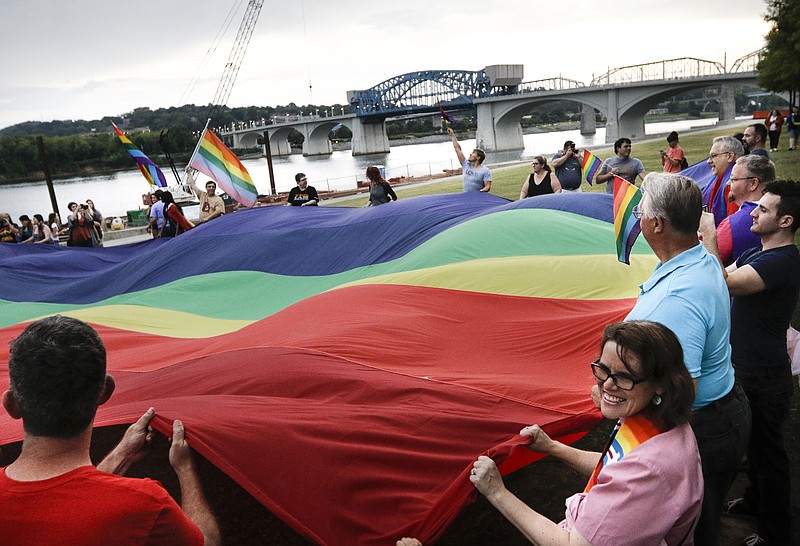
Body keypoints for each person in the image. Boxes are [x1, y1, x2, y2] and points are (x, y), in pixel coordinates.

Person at [468, 321, 701, 546]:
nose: (608, 385)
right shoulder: (658, 419)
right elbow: (614, 466)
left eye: (624, 377)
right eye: (604, 370)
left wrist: (497, 492)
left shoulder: (648, 470)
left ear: (660, 384)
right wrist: (553, 447)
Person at [0, 315, 220, 545]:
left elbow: (62, 499)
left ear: (11, 404)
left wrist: (121, 454)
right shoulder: (145, 504)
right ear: (105, 391)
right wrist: (185, 468)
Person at [625, 172, 750, 546]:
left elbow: (682, 391)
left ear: (657, 224)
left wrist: (620, 398)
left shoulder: (677, 301)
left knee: (690, 528)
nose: (636, 217)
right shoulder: (699, 257)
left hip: (701, 428)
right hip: (722, 413)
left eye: (639, 211)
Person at [699, 180, 800, 546]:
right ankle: (755, 502)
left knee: (768, 455)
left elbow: (724, 281)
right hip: (750, 370)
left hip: (764, 376)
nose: (752, 212)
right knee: (755, 449)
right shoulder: (760, 252)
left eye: (764, 209)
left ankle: (775, 533)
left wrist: (709, 230)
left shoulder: (783, 261)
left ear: (786, 220)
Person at [713, 155, 776, 266]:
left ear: (753, 184)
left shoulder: (733, 224)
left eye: (733, 179)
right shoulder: (780, 215)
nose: (728, 183)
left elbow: (708, 259)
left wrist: (707, 233)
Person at [703, 135, 745, 227]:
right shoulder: (722, 177)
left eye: (713, 156)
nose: (709, 161)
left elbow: (733, 225)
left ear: (729, 156)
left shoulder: (733, 183)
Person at [447, 127, 491, 193]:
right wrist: (452, 135)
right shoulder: (466, 165)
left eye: (473, 153)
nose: (470, 154)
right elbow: (458, 149)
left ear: (478, 157)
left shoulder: (485, 171)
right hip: (467, 197)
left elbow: (487, 186)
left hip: (478, 197)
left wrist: (482, 190)